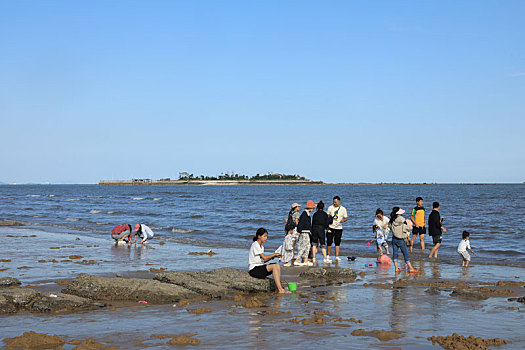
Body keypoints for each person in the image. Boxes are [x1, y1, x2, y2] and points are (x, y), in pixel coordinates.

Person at [248, 227, 292, 294]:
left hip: (259, 267)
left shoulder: (261, 246)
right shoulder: (255, 244)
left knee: (277, 265)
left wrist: (273, 257)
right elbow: (264, 258)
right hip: (254, 270)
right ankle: (280, 289)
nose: (266, 238)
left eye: (266, 236)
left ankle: (278, 288)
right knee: (274, 266)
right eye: (264, 236)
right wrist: (274, 255)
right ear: (259, 236)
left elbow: (264, 260)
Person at [389, 207, 418, 273]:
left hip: (394, 239)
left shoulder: (392, 220)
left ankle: (396, 268)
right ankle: (411, 268)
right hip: (400, 239)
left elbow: (390, 227)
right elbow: (408, 228)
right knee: (405, 254)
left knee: (395, 253)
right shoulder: (402, 220)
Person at [326, 196, 348, 262]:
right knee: (329, 241)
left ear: (339, 201)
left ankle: (337, 256)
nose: (334, 203)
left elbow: (346, 218)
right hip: (330, 227)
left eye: (336, 202)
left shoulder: (343, 209)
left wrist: (343, 221)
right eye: (334, 202)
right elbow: (327, 216)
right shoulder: (330, 207)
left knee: (337, 242)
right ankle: (328, 255)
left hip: (339, 227)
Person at [296, 200, 316, 266]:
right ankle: (297, 259)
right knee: (303, 246)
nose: (313, 209)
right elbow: (300, 223)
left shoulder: (307, 214)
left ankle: (305, 260)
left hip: (307, 232)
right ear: (310, 208)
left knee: (308, 246)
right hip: (304, 232)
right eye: (313, 208)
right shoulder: (304, 214)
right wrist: (299, 231)